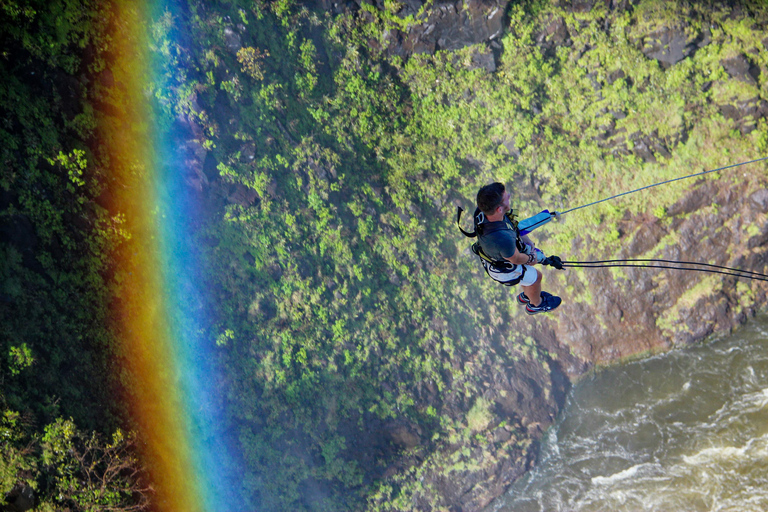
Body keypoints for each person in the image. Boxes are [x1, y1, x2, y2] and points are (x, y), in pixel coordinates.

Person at [471, 182, 562, 315]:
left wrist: (528, 242)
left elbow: (513, 227)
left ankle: (528, 293)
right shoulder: (502, 239)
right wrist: (532, 257)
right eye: (505, 197)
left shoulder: (484, 212)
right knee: (537, 277)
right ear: (499, 209)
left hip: (496, 256)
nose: (509, 195)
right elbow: (517, 258)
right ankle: (536, 304)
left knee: (530, 275)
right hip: (503, 268)